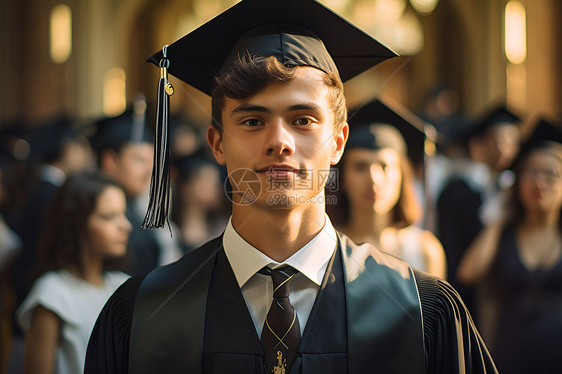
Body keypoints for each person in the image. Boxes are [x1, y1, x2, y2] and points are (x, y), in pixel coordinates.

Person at [86, 0, 496, 373]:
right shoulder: (143, 313)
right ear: (217, 143)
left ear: (337, 143)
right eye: (252, 121)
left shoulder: (423, 311)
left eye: (302, 120)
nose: (279, 141)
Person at [457, 118, 562, 373]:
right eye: (531, 172)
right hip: (507, 357)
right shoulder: (503, 234)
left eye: (550, 173)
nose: (539, 181)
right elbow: (468, 273)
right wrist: (497, 218)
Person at [16, 172, 131, 374]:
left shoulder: (123, 286)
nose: (125, 226)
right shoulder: (53, 294)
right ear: (78, 223)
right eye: (109, 217)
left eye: (123, 214)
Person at [327, 99, 447, 278]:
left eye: (384, 166)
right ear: (342, 178)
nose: (374, 179)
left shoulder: (424, 250)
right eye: (360, 167)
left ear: (402, 176)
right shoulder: (326, 248)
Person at [436, 105, 521, 316]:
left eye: (513, 142)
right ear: (478, 146)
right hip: (468, 299)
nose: (507, 150)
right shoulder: (457, 193)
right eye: (500, 141)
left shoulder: (517, 191)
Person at [90, 98, 164, 276]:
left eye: (152, 163)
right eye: (140, 160)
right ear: (110, 161)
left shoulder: (137, 210)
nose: (149, 171)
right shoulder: (88, 208)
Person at [171, 149, 228, 253]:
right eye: (208, 181)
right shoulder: (167, 235)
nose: (217, 188)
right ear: (185, 188)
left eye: (216, 183)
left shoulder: (223, 233)